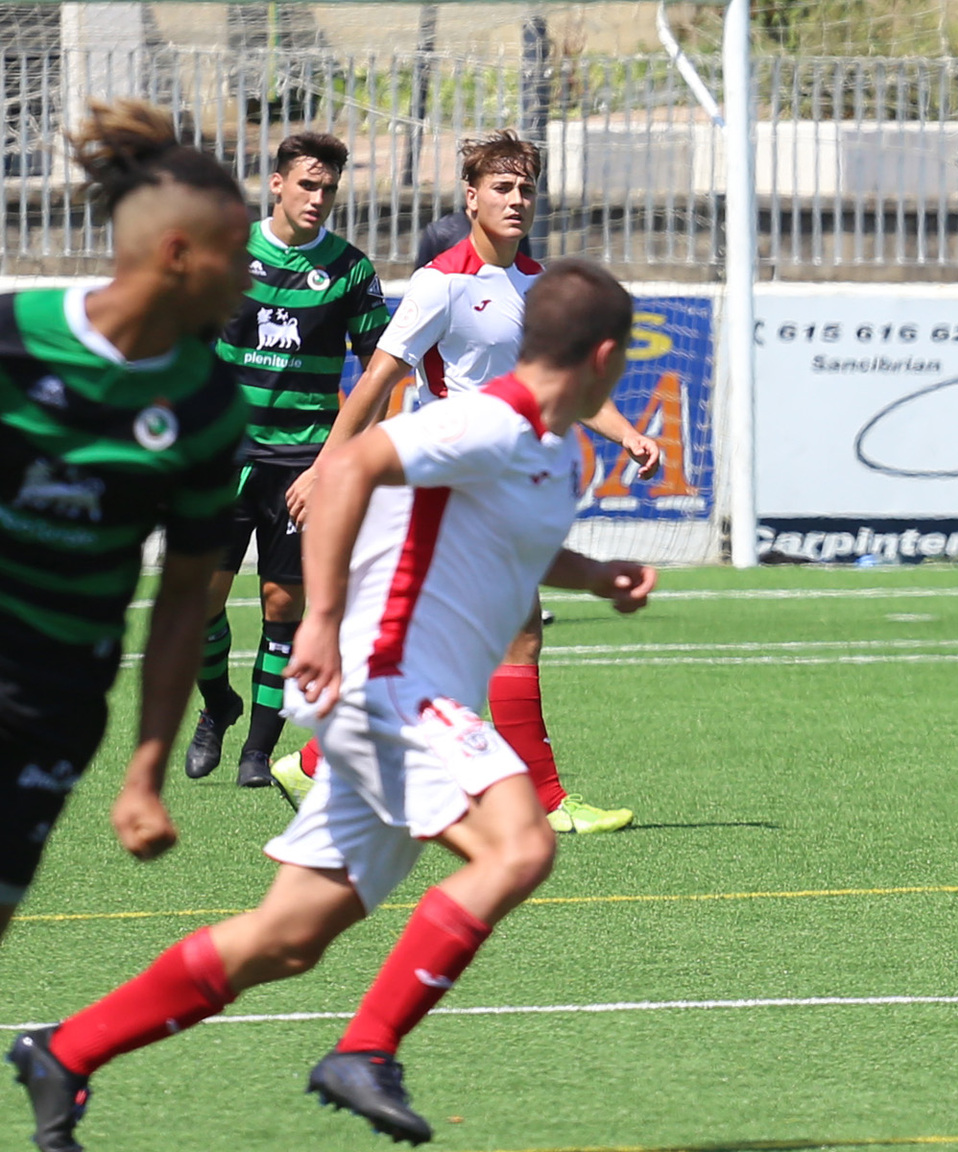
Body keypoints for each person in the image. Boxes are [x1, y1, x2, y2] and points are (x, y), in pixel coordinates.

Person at [9, 260, 660, 1149]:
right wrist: (320, 619)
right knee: (519, 846)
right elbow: (351, 466)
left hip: (404, 704)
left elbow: (515, 545)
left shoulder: (543, 448)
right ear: (607, 357)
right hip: (395, 687)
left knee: (286, 939)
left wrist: (598, 575)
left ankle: (66, 1051)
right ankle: (367, 1051)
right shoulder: (484, 419)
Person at [269, 130, 659, 835]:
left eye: (526, 189)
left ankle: (317, 765)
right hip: (449, 482)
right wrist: (327, 465)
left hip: (496, 482)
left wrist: (625, 432)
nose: (517, 201)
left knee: (483, 640)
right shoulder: (441, 281)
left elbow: (558, 386)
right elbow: (378, 379)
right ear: (471, 197)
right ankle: (542, 801)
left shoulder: (537, 283)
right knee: (503, 637)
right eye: (502, 189)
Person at [0, 99, 249, 954]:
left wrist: (146, 771)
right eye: (238, 258)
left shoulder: (209, 406)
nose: (249, 279)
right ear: (179, 256)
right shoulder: (13, 342)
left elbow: (183, 602)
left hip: (56, 703)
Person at [184, 132, 390, 789]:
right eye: (307, 184)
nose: (318, 198)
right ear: (276, 183)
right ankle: (219, 705)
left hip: (304, 463)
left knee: (282, 603)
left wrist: (343, 460)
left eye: (328, 188)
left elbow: (380, 371)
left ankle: (257, 750)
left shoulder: (352, 270)